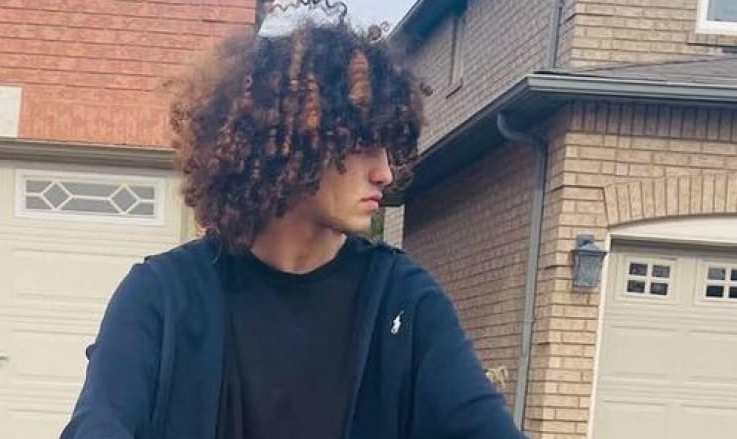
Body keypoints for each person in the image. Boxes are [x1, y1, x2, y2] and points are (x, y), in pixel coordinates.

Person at [60, 20, 526, 439]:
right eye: (362, 144)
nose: (384, 172)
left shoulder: (403, 301)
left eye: (390, 148)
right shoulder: (162, 297)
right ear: (291, 145)